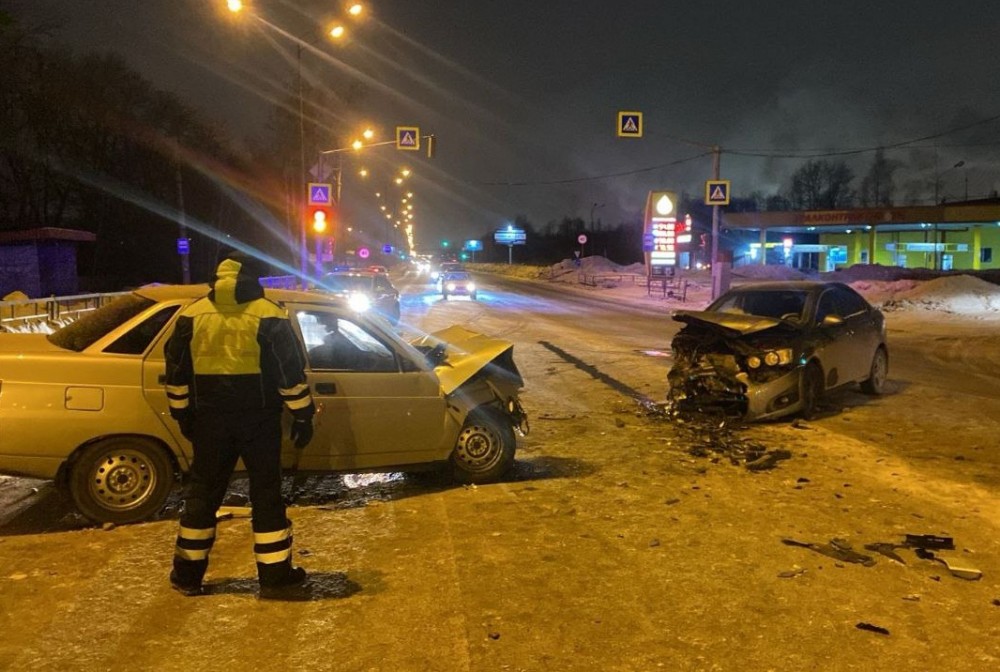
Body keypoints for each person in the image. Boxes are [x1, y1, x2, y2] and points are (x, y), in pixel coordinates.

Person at [164, 250, 316, 599]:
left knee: (202, 495)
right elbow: (288, 375)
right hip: (259, 422)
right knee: (266, 496)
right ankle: (275, 576)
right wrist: (303, 415)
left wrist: (183, 415)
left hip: (209, 420)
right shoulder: (270, 315)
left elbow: (176, 374)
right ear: (255, 278)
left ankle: (187, 575)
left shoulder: (192, 315)